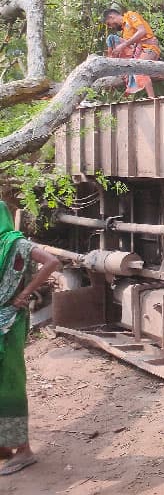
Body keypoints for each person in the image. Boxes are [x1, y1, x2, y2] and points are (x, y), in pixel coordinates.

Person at [0, 202, 61, 475]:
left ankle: (23, 450)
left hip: (10, 322)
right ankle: (4, 445)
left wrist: (24, 295)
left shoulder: (15, 244)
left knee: (10, 384)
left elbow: (52, 262)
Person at [103, 7, 161, 98]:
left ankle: (152, 100)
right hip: (137, 52)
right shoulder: (124, 32)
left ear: (111, 17)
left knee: (139, 69)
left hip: (149, 48)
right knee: (111, 38)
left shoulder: (130, 16)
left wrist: (124, 44)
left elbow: (142, 31)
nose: (111, 27)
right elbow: (130, 47)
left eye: (109, 24)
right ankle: (114, 65)